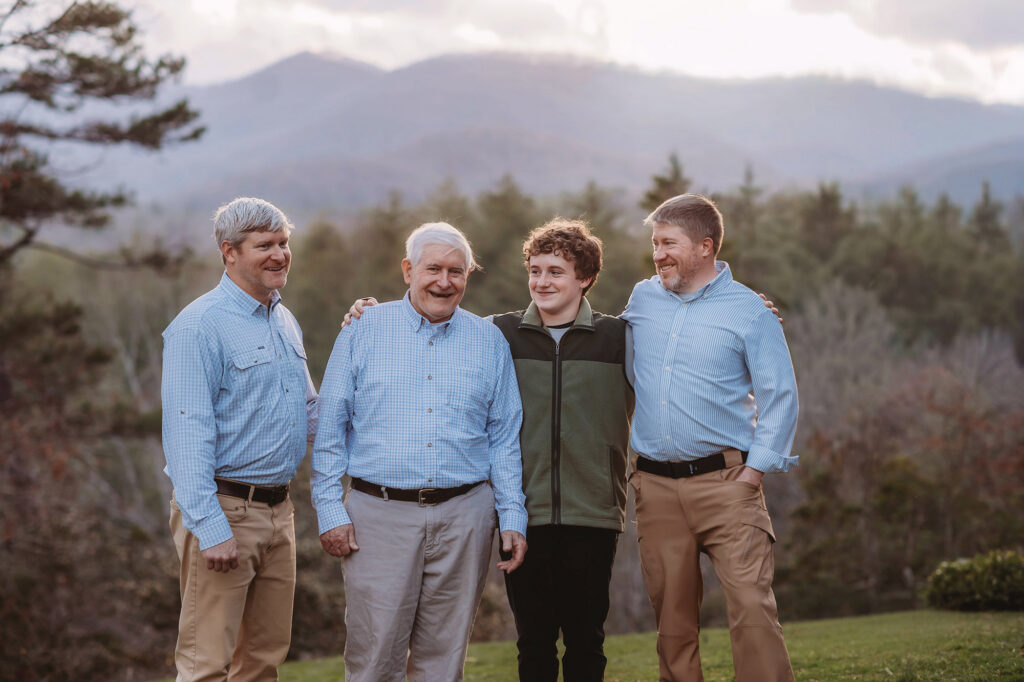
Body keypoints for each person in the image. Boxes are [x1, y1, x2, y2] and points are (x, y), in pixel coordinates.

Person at [310, 222, 529, 682]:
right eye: (433, 269)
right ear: (408, 269)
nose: (444, 282)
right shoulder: (363, 329)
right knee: (374, 657)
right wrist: (329, 508)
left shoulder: (489, 342)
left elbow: (504, 439)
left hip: (465, 517)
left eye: (457, 271)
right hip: (378, 516)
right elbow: (330, 427)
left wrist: (512, 517)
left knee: (444, 660)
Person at [622, 193, 799, 682]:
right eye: (655, 243)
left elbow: (780, 396)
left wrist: (753, 473)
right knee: (672, 622)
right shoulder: (642, 299)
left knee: (751, 608)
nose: (657, 254)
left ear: (705, 247)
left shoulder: (750, 311)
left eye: (668, 243)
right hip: (655, 488)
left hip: (728, 484)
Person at [161, 197, 318, 680]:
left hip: (279, 513)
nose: (279, 254)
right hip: (224, 511)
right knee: (206, 663)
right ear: (229, 252)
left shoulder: (282, 319)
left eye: (284, 243)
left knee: (263, 660)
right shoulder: (199, 326)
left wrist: (367, 340)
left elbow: (310, 412)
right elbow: (186, 434)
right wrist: (211, 528)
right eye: (264, 245)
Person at [492, 219, 633, 681]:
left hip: (592, 513)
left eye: (556, 271)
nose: (541, 282)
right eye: (535, 270)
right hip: (520, 515)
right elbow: (430, 329)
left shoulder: (619, 339)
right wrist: (368, 311)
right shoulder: (499, 334)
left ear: (585, 277)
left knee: (585, 642)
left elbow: (683, 342)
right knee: (533, 644)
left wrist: (750, 307)